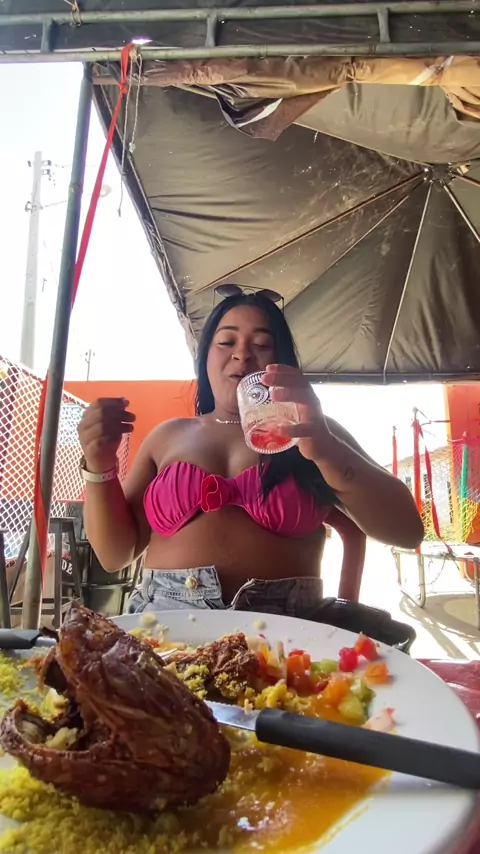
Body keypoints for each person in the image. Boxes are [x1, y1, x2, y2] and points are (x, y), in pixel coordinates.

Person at [78, 290, 423, 623]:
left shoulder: (312, 431)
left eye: (261, 344)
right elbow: (114, 555)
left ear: (282, 361)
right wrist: (99, 464)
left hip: (287, 632)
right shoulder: (166, 437)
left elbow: (408, 532)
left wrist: (327, 450)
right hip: (167, 626)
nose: (242, 354)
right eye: (226, 342)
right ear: (205, 357)